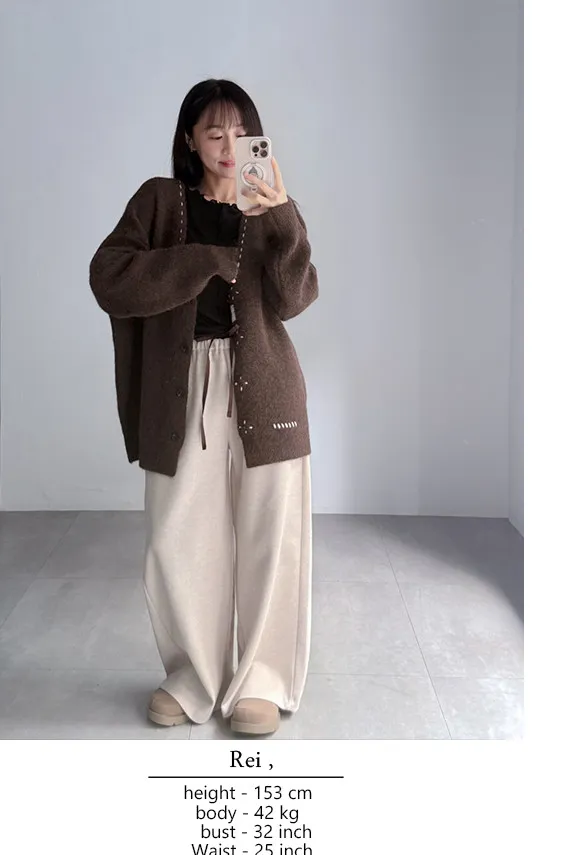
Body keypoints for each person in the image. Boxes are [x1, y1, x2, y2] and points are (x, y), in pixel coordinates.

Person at [89, 79, 318, 735]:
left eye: (241, 132)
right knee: (178, 536)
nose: (228, 145)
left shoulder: (271, 207)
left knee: (272, 538)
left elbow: (297, 296)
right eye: (214, 132)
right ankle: (193, 675)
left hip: (267, 387)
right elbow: (110, 276)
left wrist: (281, 214)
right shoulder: (159, 202)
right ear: (190, 139)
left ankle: (262, 681)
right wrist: (202, 262)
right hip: (183, 385)